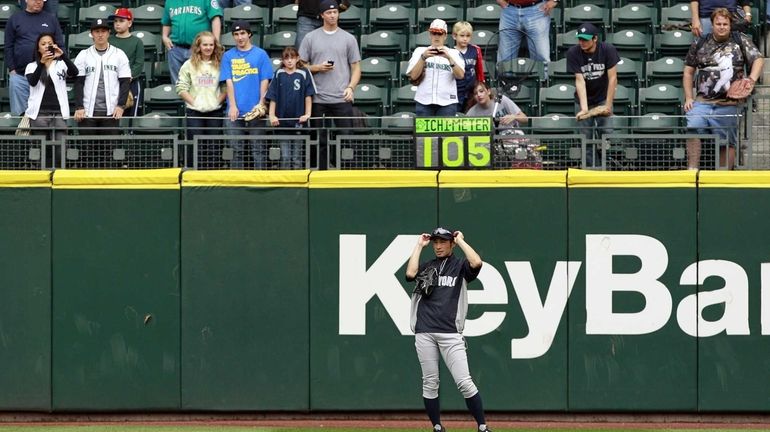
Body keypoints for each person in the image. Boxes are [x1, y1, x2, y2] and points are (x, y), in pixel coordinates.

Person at [405, 227, 492, 432]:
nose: (437, 246)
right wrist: (419, 246)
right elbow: (410, 273)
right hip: (424, 330)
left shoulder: (460, 266)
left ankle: (482, 427)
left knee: (464, 381)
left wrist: (460, 240)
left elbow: (477, 262)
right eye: (435, 242)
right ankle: (437, 427)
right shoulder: (427, 266)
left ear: (451, 244)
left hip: (450, 333)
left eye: (442, 242)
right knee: (430, 382)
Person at [683, 8, 763, 169]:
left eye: (725, 24)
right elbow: (688, 71)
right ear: (711, 25)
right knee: (692, 127)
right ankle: (692, 171)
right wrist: (688, 97)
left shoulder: (740, 40)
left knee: (726, 141)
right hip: (702, 102)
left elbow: (758, 59)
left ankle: (724, 175)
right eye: (718, 23)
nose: (722, 27)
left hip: (729, 103)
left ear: (730, 25)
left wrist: (751, 80)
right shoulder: (700, 42)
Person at [298, 0, 360, 169]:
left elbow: (356, 68)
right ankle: (321, 174)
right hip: (318, 99)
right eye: (329, 13)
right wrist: (316, 68)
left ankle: (347, 174)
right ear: (322, 15)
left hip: (342, 98)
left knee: (346, 139)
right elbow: (299, 65)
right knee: (320, 141)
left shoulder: (349, 38)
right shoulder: (310, 37)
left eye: (335, 12)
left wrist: (351, 87)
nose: (333, 15)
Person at [220, 20, 272, 169]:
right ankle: (238, 185)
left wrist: (261, 104)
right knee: (236, 151)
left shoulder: (260, 54)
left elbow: (265, 80)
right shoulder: (228, 56)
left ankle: (260, 183)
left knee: (259, 150)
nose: (239, 37)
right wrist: (233, 106)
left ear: (249, 34)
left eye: (242, 33)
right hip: (235, 111)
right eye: (236, 34)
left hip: (255, 110)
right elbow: (228, 82)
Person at [24, 32, 77, 162]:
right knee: (39, 149)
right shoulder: (32, 66)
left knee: (61, 149)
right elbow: (32, 81)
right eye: (43, 44)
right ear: (38, 48)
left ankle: (60, 175)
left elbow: (74, 72)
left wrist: (63, 55)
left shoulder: (60, 64)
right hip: (39, 113)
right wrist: (42, 63)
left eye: (50, 43)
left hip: (58, 113)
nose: (47, 46)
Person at [73, 18, 132, 137]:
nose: (100, 35)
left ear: (109, 33)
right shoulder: (83, 54)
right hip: (88, 112)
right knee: (87, 151)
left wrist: (121, 106)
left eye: (103, 31)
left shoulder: (119, 54)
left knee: (108, 151)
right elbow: (78, 83)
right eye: (97, 31)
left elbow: (125, 82)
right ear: (92, 34)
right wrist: (79, 106)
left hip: (111, 112)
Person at [5, 0, 64, 116]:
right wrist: (12, 69)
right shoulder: (15, 18)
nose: (38, 2)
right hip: (20, 76)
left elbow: (60, 45)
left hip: (45, 76)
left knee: (43, 117)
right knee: (20, 116)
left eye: (41, 0)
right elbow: (8, 46)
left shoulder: (51, 19)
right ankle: (22, 133)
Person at [566, 23, 619, 140]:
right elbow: (580, 81)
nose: (582, 42)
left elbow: (613, 79)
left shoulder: (608, 50)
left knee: (607, 132)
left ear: (595, 38)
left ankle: (606, 158)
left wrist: (607, 106)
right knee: (584, 136)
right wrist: (584, 109)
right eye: (580, 39)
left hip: (602, 97)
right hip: (583, 99)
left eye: (585, 39)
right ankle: (588, 159)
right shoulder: (573, 52)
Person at [266, 46, 316, 169]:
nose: (289, 61)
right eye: (286, 58)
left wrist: (307, 114)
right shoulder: (279, 74)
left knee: (297, 157)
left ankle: (298, 185)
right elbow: (273, 97)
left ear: (297, 58)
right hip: (282, 122)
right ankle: (286, 186)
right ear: (282, 60)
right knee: (286, 157)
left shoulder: (304, 73)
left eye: (292, 58)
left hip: (298, 121)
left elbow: (308, 96)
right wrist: (272, 115)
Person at [406, 19, 465, 117]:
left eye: (440, 33)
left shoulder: (454, 53)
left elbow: (460, 76)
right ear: (430, 34)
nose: (436, 36)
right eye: (434, 33)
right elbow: (413, 76)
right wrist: (423, 57)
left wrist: (449, 58)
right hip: (424, 101)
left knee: (445, 133)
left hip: (447, 103)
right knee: (423, 132)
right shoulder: (420, 51)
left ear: (445, 36)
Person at [176, 31, 226, 141]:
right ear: (198, 46)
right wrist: (195, 103)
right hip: (194, 112)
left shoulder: (221, 64)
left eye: (211, 45)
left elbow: (226, 88)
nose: (208, 48)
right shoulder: (188, 65)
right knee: (195, 147)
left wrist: (216, 102)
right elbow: (181, 88)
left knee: (213, 148)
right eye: (205, 45)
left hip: (215, 112)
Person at [161, 0, 223, 85]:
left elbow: (215, 19)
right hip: (175, 48)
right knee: (177, 84)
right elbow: (166, 22)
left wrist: (215, 41)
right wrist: (164, 36)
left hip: (198, 49)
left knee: (198, 83)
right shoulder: (170, 1)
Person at [495, 0, 556, 64]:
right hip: (509, 11)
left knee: (541, 57)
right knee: (505, 58)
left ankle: (542, 74)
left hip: (537, 11)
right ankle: (503, 74)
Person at [109, 8, 144, 117]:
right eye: (115, 21)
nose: (117, 24)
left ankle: (130, 133)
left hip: (131, 82)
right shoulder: (109, 40)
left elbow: (139, 63)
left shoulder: (137, 42)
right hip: (112, 81)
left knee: (131, 113)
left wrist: (128, 77)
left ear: (129, 23)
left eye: (121, 21)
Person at [453, 21, 485, 113]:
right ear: (455, 36)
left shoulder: (475, 50)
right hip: (456, 91)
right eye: (462, 36)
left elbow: (479, 70)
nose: (465, 39)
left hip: (471, 92)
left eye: (468, 36)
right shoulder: (450, 51)